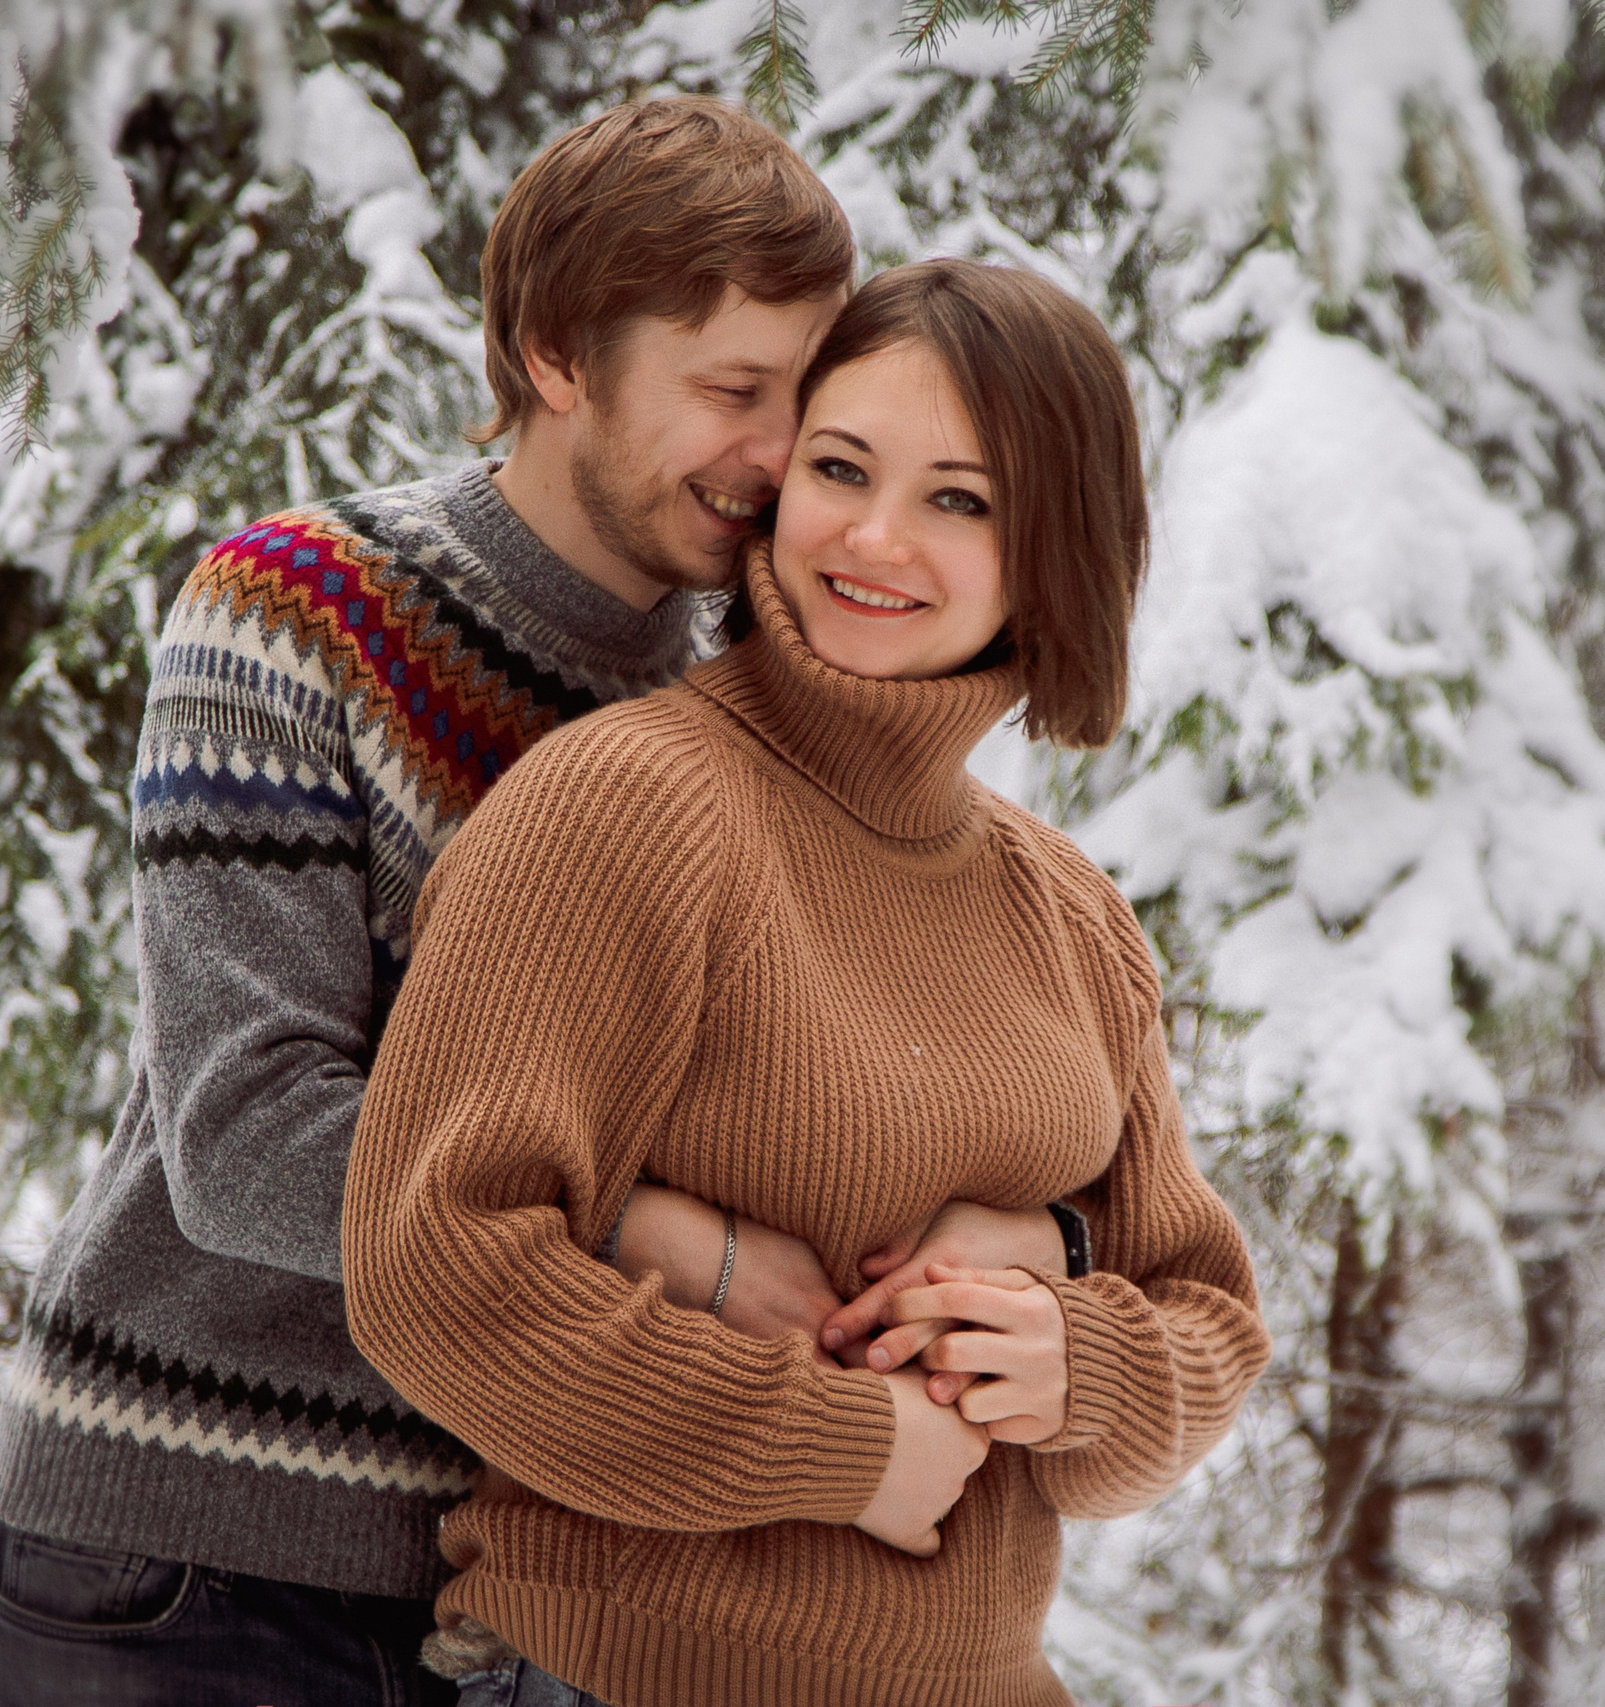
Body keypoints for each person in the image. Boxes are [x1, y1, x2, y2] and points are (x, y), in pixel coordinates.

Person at [0, 103, 1070, 1704]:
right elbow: (249, 1135)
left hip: (525, 1602)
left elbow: (862, 1078)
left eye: (803, 399)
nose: (776, 461)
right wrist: (666, 1243)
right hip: (205, 1548)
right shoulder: (300, 610)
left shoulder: (738, 706)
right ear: (560, 354)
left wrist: (1041, 1231)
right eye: (731, 392)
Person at [345, 259, 1271, 1707]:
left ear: (1055, 548)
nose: (878, 536)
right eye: (842, 467)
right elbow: (437, 1271)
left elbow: (1206, 1309)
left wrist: (1074, 1353)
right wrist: (840, 1450)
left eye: (961, 499)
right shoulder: (630, 808)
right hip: (628, 1676)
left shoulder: (1071, 914)